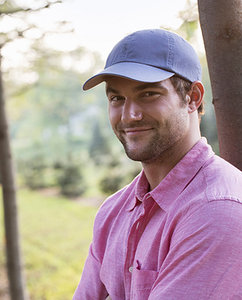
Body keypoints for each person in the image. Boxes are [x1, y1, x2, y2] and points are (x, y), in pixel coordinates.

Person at [73, 29, 242, 299]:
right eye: (117, 98)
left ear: (193, 97)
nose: (130, 115)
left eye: (149, 94)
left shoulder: (217, 210)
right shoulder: (113, 212)